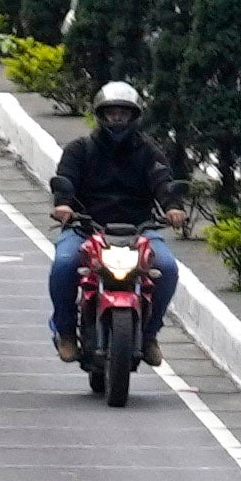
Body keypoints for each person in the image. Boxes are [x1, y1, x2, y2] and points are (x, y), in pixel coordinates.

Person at [43, 86, 172, 358]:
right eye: (111, 113)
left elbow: (163, 182)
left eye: (123, 113)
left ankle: (150, 335)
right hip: (87, 227)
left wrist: (174, 208)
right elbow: (65, 180)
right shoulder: (80, 149)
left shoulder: (149, 151)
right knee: (64, 264)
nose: (116, 119)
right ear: (100, 115)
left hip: (139, 230)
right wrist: (63, 205)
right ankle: (66, 331)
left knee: (167, 268)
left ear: (133, 116)